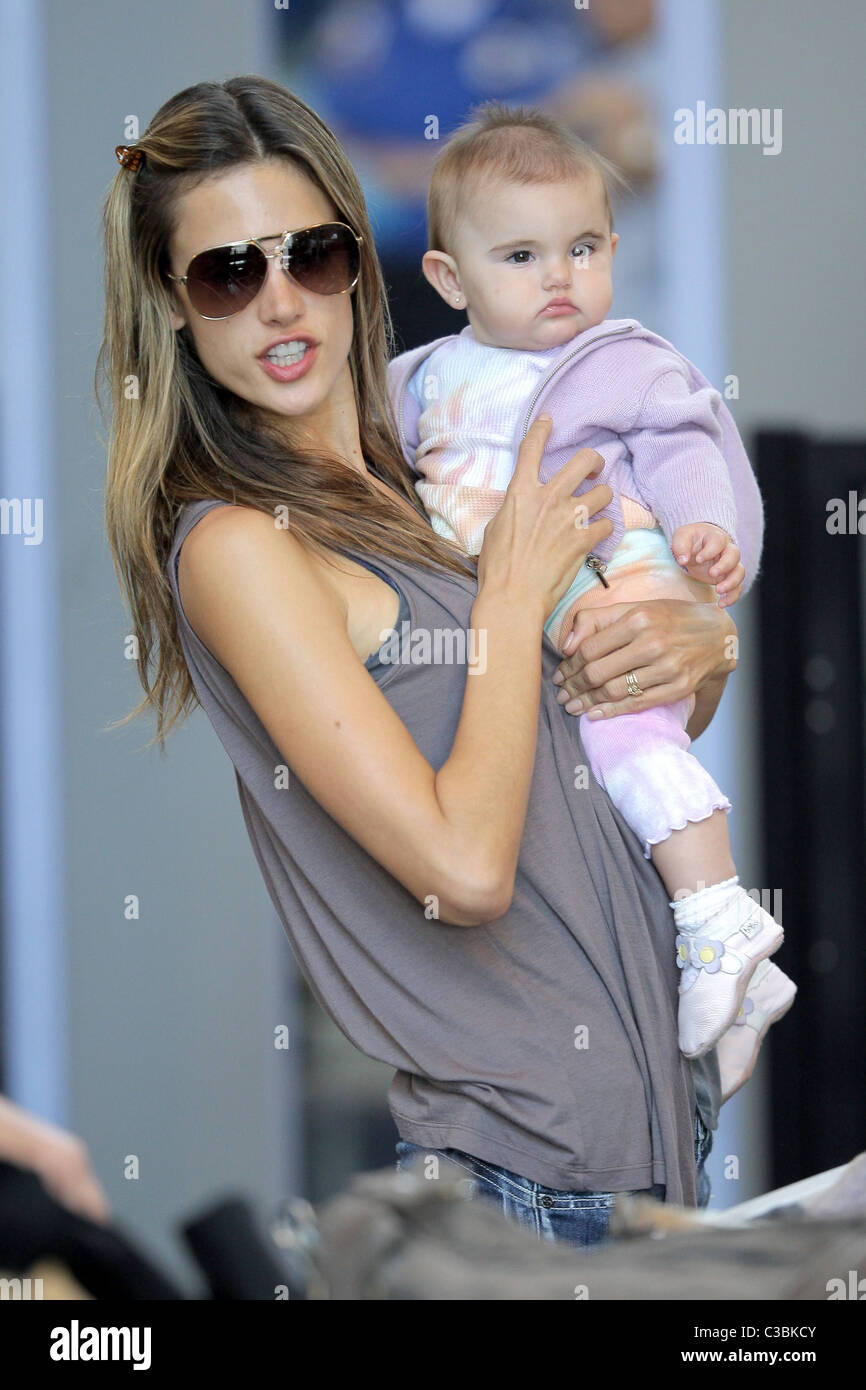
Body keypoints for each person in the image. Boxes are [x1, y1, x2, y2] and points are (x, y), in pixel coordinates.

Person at [99, 75, 749, 1250]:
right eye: (229, 273)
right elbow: (461, 871)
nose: (283, 302)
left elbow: (594, 730)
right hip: (519, 1182)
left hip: (652, 1139)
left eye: (313, 254)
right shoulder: (241, 546)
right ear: (174, 306)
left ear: (360, 255)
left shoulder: (427, 462)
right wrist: (506, 587)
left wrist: (703, 643)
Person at [386, 102, 795, 1102]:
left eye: (580, 247)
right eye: (519, 256)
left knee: (627, 739)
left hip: (617, 573)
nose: (558, 276)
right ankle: (739, 981)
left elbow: (684, 443)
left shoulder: (621, 361)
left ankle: (716, 916)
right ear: (448, 278)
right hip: (521, 597)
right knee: (587, 774)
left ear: (613, 248)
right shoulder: (416, 381)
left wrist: (704, 532)